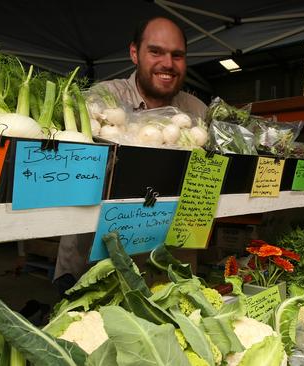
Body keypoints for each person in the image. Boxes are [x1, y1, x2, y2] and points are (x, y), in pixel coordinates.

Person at [53, 16, 207, 291]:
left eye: (177, 55)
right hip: (98, 258)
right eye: (156, 51)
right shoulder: (102, 99)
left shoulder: (197, 112)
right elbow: (73, 176)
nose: (168, 64)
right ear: (135, 53)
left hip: (166, 260)